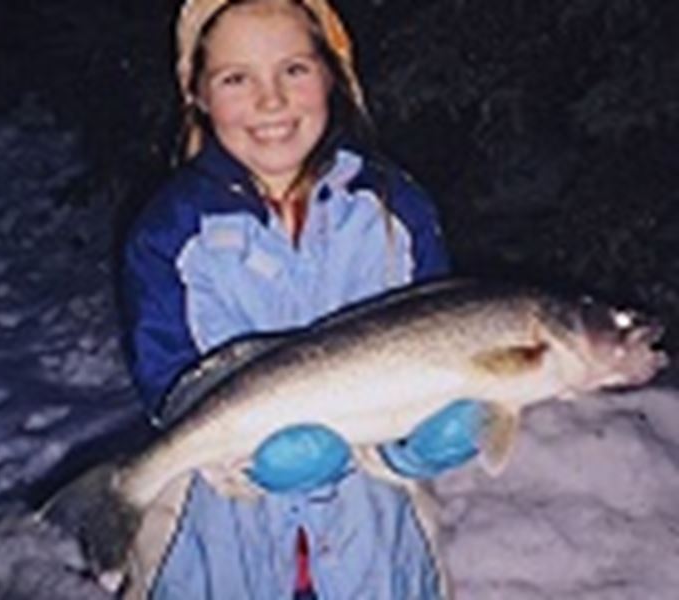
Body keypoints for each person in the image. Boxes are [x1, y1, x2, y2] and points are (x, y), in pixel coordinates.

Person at [122, 0, 484, 597]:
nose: (271, 101)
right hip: (219, 537)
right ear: (196, 92)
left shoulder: (396, 210)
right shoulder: (168, 231)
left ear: (332, 73)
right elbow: (168, 382)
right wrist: (237, 461)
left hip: (373, 535)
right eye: (236, 78)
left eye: (294, 69)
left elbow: (437, 349)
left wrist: (409, 453)